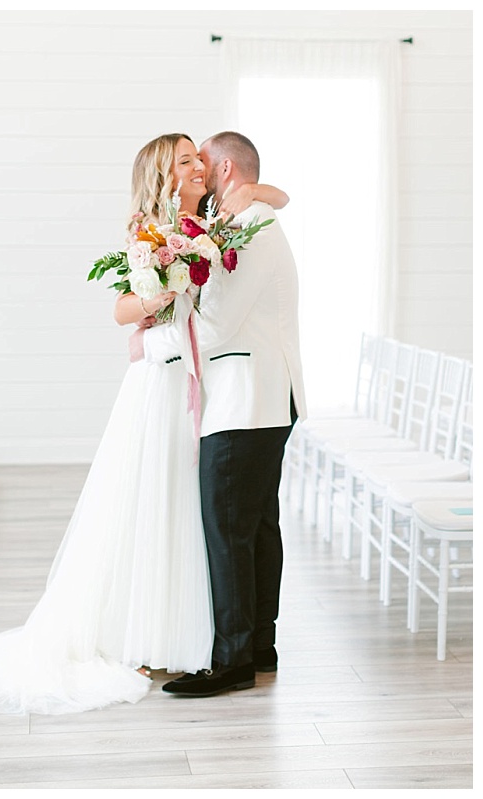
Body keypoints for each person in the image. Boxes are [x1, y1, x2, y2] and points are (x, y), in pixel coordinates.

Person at [0, 133, 289, 715]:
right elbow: (122, 307)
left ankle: (216, 640)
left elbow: (270, 201)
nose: (198, 166)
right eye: (186, 160)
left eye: (202, 159)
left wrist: (253, 190)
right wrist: (157, 301)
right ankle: (170, 633)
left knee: (209, 515)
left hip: (201, 378)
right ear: (165, 174)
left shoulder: (217, 218)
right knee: (165, 504)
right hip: (174, 377)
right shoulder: (150, 230)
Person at [131, 131, 305, 697]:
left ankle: (231, 661)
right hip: (259, 399)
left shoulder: (250, 226)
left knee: (230, 531)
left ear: (227, 169)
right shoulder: (246, 217)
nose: (199, 173)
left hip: (246, 401)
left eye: (202, 162)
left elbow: (217, 323)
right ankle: (258, 646)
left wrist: (150, 348)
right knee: (255, 527)